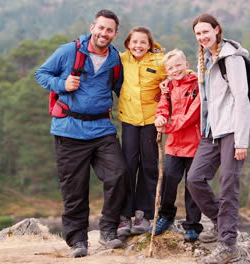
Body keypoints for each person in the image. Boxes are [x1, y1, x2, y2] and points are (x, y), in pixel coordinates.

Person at [34, 9, 127, 257]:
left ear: (115, 34)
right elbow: (41, 73)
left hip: (102, 128)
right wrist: (61, 84)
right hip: (69, 129)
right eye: (101, 28)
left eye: (110, 30)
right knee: (74, 188)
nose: (104, 33)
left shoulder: (115, 59)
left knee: (118, 174)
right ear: (92, 27)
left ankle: (108, 231)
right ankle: (78, 241)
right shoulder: (69, 51)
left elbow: (124, 90)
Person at [186, 13, 250, 264]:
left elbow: (241, 98)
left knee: (228, 185)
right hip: (211, 131)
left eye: (206, 31)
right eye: (198, 33)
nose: (202, 37)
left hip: (231, 130)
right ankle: (221, 223)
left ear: (217, 30)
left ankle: (228, 244)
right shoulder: (203, 58)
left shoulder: (231, 58)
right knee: (194, 179)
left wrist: (241, 141)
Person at [116, 26, 167, 236]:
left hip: (150, 122)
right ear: (128, 43)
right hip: (128, 120)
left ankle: (143, 214)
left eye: (143, 42)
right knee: (127, 166)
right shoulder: (120, 59)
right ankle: (124, 215)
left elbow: (179, 71)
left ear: (150, 45)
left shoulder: (159, 61)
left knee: (148, 166)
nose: (138, 45)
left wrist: (168, 84)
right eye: (134, 42)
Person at [152, 49, 203, 241]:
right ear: (166, 71)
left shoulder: (199, 84)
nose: (175, 70)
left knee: (193, 184)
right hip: (174, 145)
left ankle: (193, 225)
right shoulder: (168, 88)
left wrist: (168, 125)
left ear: (187, 65)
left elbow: (193, 114)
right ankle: (165, 216)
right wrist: (160, 117)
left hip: (196, 143)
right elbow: (163, 106)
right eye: (170, 68)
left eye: (178, 65)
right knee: (169, 181)